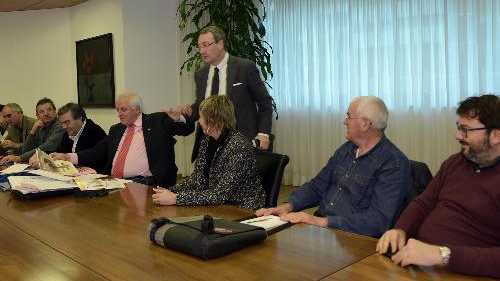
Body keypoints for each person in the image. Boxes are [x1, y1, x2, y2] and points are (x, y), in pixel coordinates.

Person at [376, 94, 500, 279]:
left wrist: (441, 255)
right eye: (459, 128)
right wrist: (400, 229)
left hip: (463, 272)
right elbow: (423, 202)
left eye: (465, 130)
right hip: (418, 262)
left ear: (496, 134)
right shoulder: (455, 162)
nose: (457, 135)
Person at [256, 96, 411, 237]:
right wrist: (288, 206)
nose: (345, 121)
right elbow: (317, 186)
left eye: (348, 116)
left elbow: (378, 221)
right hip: (324, 233)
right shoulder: (346, 150)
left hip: (356, 241)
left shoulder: (393, 164)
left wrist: (322, 222)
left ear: (365, 124)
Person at [52, 92, 194, 187]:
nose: (119, 114)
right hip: (115, 182)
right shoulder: (117, 129)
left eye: (123, 110)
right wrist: (67, 157)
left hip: (145, 182)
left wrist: (180, 118)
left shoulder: (156, 121)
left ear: (137, 110)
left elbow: (185, 130)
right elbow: (97, 151)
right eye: (117, 110)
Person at [176, 25, 273, 161]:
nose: (202, 51)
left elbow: (265, 103)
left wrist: (263, 133)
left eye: (206, 45)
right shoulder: (201, 74)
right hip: (209, 144)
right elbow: (201, 106)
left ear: (220, 44)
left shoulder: (244, 68)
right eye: (200, 47)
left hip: (241, 143)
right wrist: (181, 116)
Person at [152, 95, 266, 210]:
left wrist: (176, 198)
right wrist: (170, 191)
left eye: (200, 117)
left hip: (243, 209)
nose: (199, 122)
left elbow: (220, 194)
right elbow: (197, 180)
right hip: (219, 205)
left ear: (211, 122)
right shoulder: (207, 141)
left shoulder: (239, 146)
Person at [28, 102, 107, 167]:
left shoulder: (94, 132)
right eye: (62, 123)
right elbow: (60, 152)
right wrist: (42, 156)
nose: (64, 126)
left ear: (79, 118)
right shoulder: (68, 133)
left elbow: (89, 159)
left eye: (67, 122)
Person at [0, 98, 64, 164]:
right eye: (42, 112)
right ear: (37, 115)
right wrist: (33, 131)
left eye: (49, 110)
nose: (46, 113)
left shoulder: (60, 124)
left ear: (55, 111)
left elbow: (48, 146)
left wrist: (19, 158)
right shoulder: (40, 125)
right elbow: (25, 149)